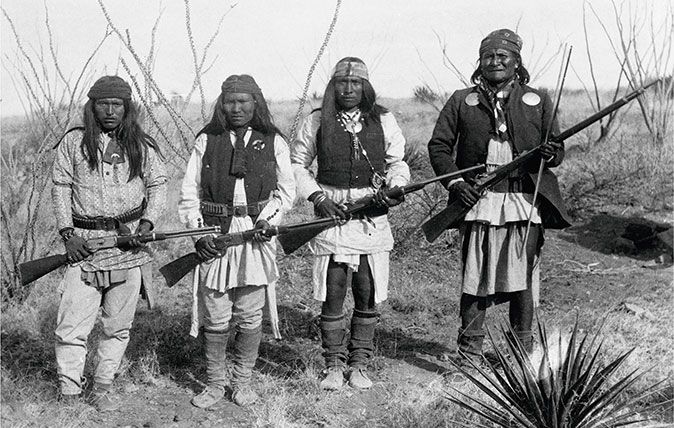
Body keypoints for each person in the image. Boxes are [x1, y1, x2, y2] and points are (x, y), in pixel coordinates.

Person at [427, 29, 572, 365]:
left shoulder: (538, 100)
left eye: (502, 56)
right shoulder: (462, 100)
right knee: (474, 279)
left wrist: (550, 154)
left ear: (516, 62)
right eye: (488, 57)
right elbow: (439, 147)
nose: (495, 62)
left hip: (523, 201)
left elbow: (557, 150)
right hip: (478, 203)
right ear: (480, 63)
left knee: (523, 279)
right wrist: (456, 184)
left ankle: (522, 355)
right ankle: (469, 356)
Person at [292, 57, 410, 390]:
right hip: (331, 218)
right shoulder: (317, 121)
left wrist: (394, 187)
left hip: (370, 217)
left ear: (365, 86)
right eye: (342, 83)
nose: (348, 89)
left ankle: (359, 365)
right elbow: (298, 165)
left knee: (366, 292)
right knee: (333, 291)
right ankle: (332, 365)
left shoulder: (383, 119)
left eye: (355, 83)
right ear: (333, 86)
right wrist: (318, 198)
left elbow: (397, 162)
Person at [178, 74, 295, 408]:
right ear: (221, 104)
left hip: (255, 236)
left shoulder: (273, 140)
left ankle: (241, 382)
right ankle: (215, 384)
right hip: (215, 233)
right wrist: (200, 233)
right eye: (230, 101)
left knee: (249, 311)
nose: (237, 108)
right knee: (215, 311)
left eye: (244, 101)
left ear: (255, 103)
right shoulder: (207, 139)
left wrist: (267, 219)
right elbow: (189, 190)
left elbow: (287, 192)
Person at [52, 75, 168, 411]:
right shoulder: (74, 144)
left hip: (128, 248)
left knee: (117, 326)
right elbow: (60, 187)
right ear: (92, 106)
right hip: (84, 249)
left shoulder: (141, 144)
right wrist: (67, 234)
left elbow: (159, 185)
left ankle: (103, 387)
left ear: (127, 107)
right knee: (72, 326)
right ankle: (70, 392)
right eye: (103, 104)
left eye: (117, 104)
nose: (110, 111)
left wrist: (147, 223)